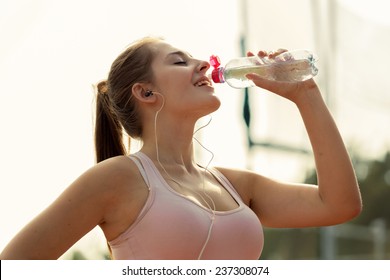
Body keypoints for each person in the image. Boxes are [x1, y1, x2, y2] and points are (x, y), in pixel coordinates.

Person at [0, 37, 362, 260]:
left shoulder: (235, 187)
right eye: (179, 61)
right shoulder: (117, 178)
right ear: (145, 92)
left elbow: (339, 204)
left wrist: (306, 95)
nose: (203, 64)